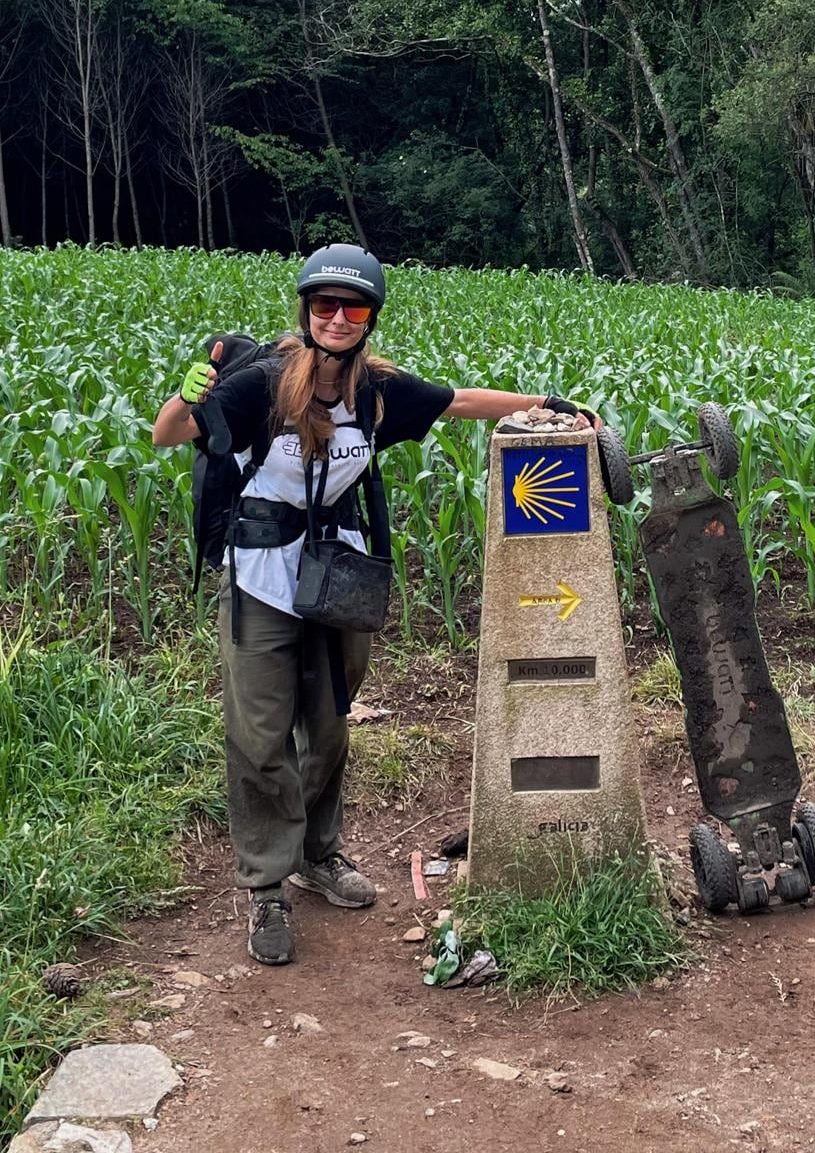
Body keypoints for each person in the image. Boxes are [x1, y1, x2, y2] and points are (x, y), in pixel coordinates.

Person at [152, 243, 597, 967]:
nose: (336, 318)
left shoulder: (377, 393)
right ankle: (267, 885)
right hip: (263, 576)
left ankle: (318, 856)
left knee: (327, 728)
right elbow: (168, 433)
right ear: (306, 311)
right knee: (260, 736)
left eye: (351, 308)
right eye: (323, 306)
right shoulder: (264, 383)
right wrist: (190, 393)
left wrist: (544, 406)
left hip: (335, 577)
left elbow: (457, 404)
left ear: (369, 320)